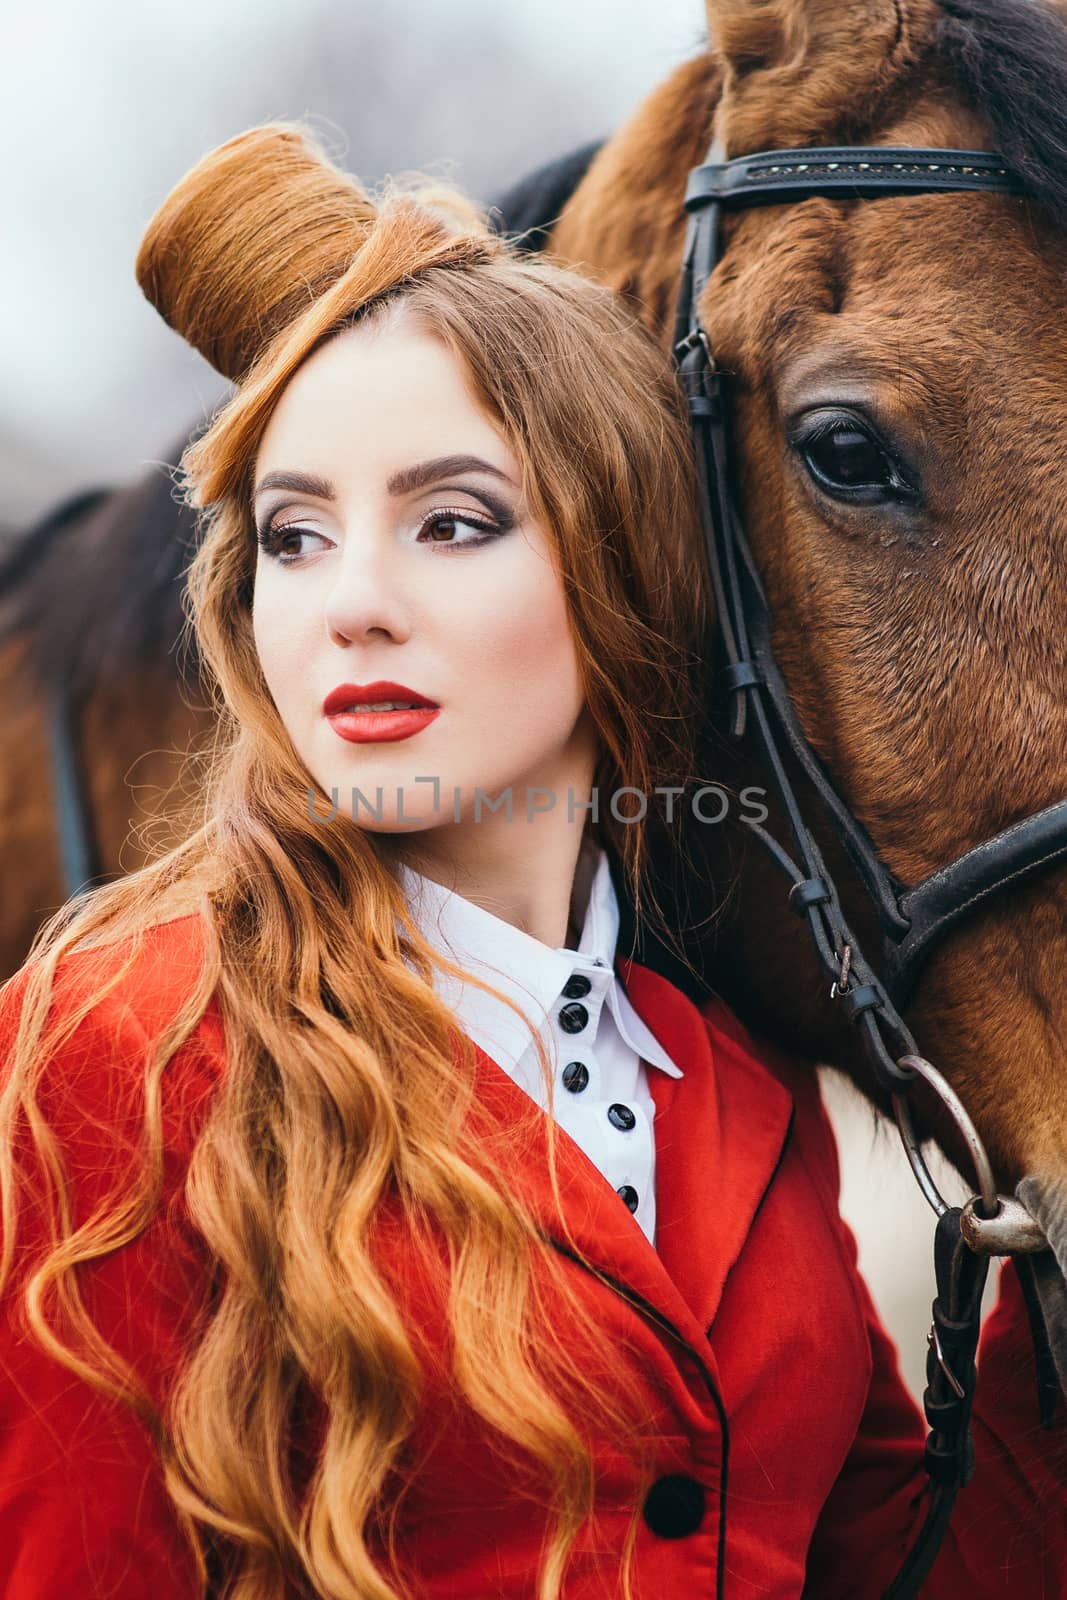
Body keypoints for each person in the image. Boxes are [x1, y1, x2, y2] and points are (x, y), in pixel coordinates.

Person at [0, 122, 1063, 1600]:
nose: (352, 603)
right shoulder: (129, 1040)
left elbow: (904, 1572)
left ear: (617, 558)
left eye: (451, 520)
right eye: (294, 536)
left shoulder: (740, 1089)